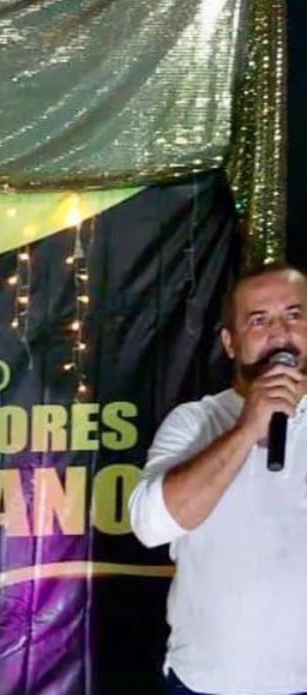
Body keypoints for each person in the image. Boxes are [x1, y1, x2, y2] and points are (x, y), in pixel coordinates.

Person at [129, 264, 307, 695]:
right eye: (259, 320)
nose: (280, 333)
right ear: (230, 342)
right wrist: (247, 429)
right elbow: (150, 525)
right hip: (210, 683)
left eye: (294, 315)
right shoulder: (194, 422)